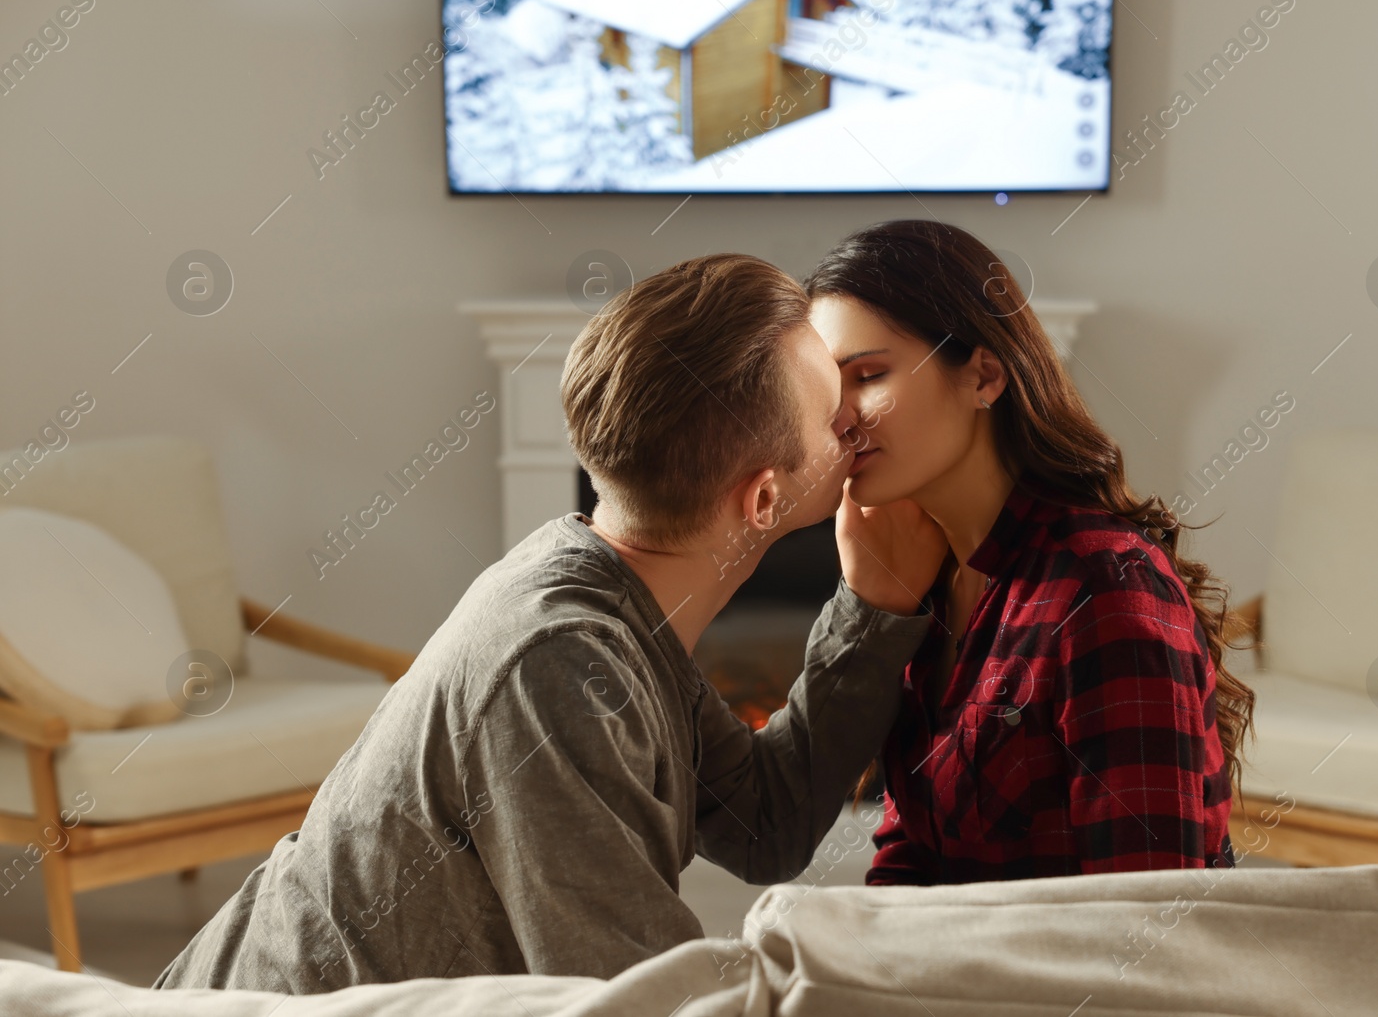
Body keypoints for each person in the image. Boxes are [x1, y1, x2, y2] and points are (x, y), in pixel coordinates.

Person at [154, 254, 947, 992]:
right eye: (829, 411)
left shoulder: (606, 592)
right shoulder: (558, 665)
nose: (853, 421)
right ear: (764, 499)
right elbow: (641, 999)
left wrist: (872, 609)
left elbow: (762, 824)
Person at [803, 220, 1256, 884]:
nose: (838, 417)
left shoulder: (1105, 592)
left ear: (983, 374)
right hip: (946, 971)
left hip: (1066, 987)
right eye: (823, 393)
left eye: (867, 375)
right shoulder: (927, 576)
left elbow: (1147, 924)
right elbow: (911, 844)